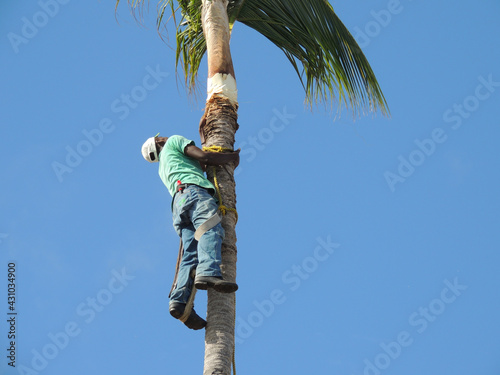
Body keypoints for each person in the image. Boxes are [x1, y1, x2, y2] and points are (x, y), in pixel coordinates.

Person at [141, 134, 240, 330]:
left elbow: (199, 164)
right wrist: (231, 158)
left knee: (191, 254)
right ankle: (209, 272)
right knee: (210, 228)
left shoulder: (164, 166)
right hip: (194, 193)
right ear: (159, 142)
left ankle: (179, 302)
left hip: (179, 205)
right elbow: (203, 157)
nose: (164, 136)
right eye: (160, 136)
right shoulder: (174, 141)